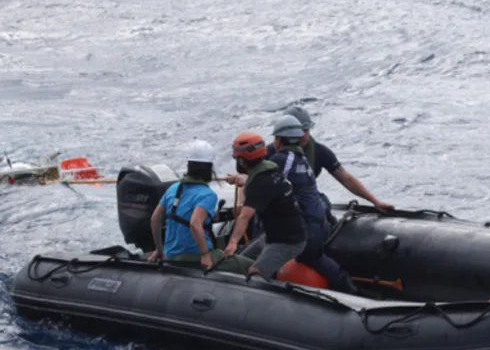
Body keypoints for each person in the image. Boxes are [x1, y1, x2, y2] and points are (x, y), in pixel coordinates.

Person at [263, 115, 359, 293]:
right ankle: (348, 288)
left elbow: (265, 181)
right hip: (315, 222)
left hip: (305, 227)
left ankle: (348, 289)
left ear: (278, 139)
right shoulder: (301, 158)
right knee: (314, 256)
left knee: (306, 256)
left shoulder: (282, 160)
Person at [148, 140, 252, 273]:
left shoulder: (174, 188)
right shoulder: (208, 195)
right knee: (251, 267)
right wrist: (205, 254)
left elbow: (155, 219)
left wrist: (159, 249)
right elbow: (194, 224)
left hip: (170, 255)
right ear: (209, 168)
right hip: (193, 256)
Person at [271, 105, 395, 213]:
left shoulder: (319, 152)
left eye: (306, 130)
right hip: (276, 202)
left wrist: (375, 202)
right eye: (298, 131)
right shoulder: (272, 152)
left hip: (304, 201)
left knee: (323, 205)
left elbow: (346, 179)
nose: (303, 135)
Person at [222, 132, 307, 279]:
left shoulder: (259, 183)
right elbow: (263, 186)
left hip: (287, 241)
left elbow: (244, 216)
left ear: (241, 161)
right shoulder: (271, 168)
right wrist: (243, 181)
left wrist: (233, 243)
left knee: (255, 273)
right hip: (273, 235)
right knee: (240, 262)